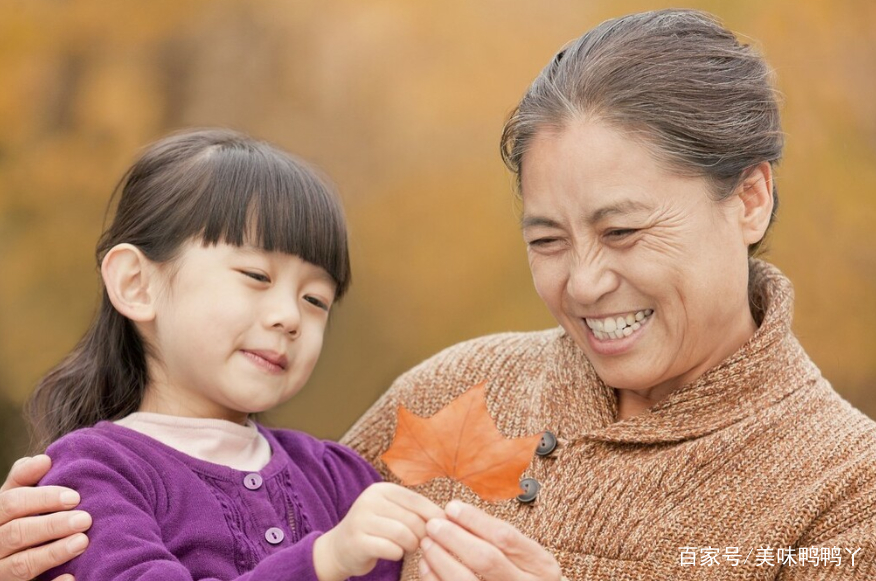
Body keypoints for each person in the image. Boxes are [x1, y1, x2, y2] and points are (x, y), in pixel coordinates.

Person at [3, 8, 876, 581]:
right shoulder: (455, 390)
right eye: (546, 239)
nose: (582, 281)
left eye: (623, 231)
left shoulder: (845, 487)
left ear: (749, 198)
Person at [9, 128, 446, 581]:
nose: (289, 317)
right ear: (135, 284)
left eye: (315, 300)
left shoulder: (336, 478)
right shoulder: (92, 476)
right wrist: (324, 562)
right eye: (257, 275)